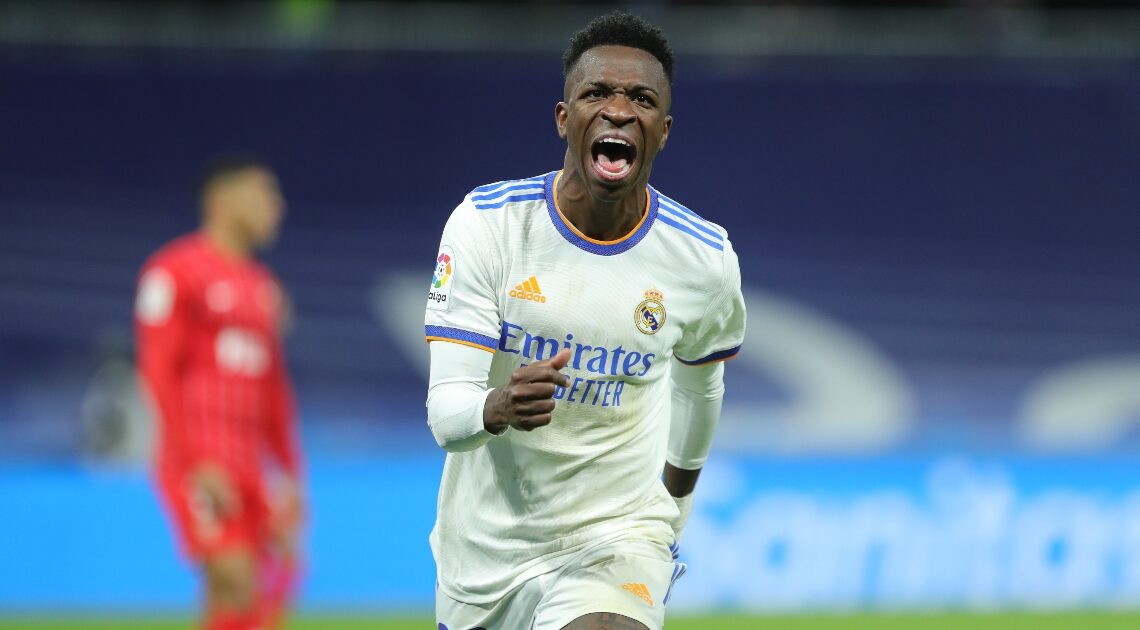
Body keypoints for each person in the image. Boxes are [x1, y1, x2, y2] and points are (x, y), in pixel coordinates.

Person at [423, 12, 746, 630]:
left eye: (641, 99)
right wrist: (499, 407)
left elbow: (702, 383)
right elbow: (446, 416)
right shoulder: (488, 226)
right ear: (564, 119)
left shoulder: (703, 259)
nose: (619, 110)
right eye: (597, 93)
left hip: (620, 535)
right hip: (486, 554)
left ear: (663, 130)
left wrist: (675, 497)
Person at [135, 155, 303, 630]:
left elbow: (273, 390)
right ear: (221, 198)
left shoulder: (264, 289)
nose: (276, 206)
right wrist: (194, 461)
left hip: (250, 461)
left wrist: (290, 473)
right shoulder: (173, 272)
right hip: (200, 455)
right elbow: (157, 371)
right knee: (234, 579)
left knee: (279, 578)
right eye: (263, 193)